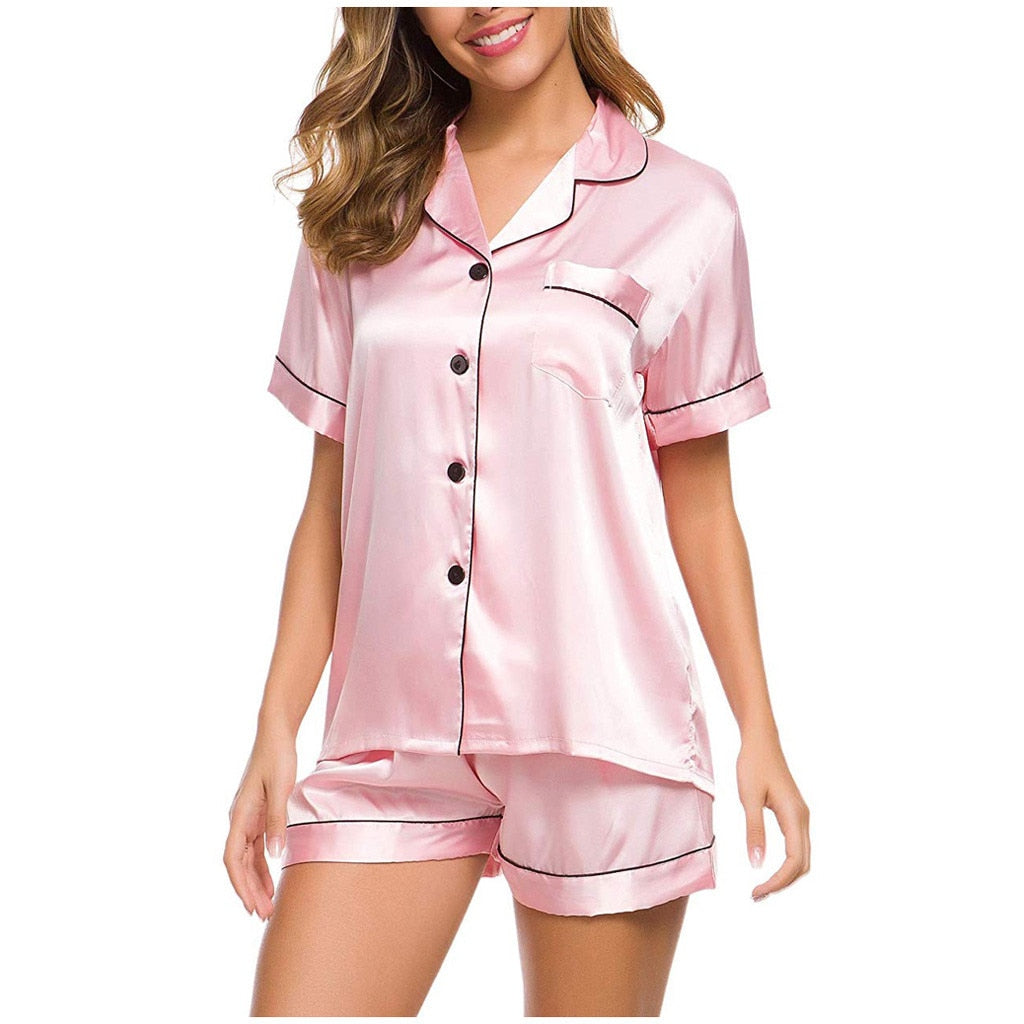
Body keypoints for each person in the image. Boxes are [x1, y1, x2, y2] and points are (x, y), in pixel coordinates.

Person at [227, 7, 811, 1017]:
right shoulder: (363, 209)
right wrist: (274, 728)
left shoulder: (687, 209)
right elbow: (329, 505)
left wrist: (758, 729)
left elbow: (702, 502)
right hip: (392, 735)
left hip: (603, 731)